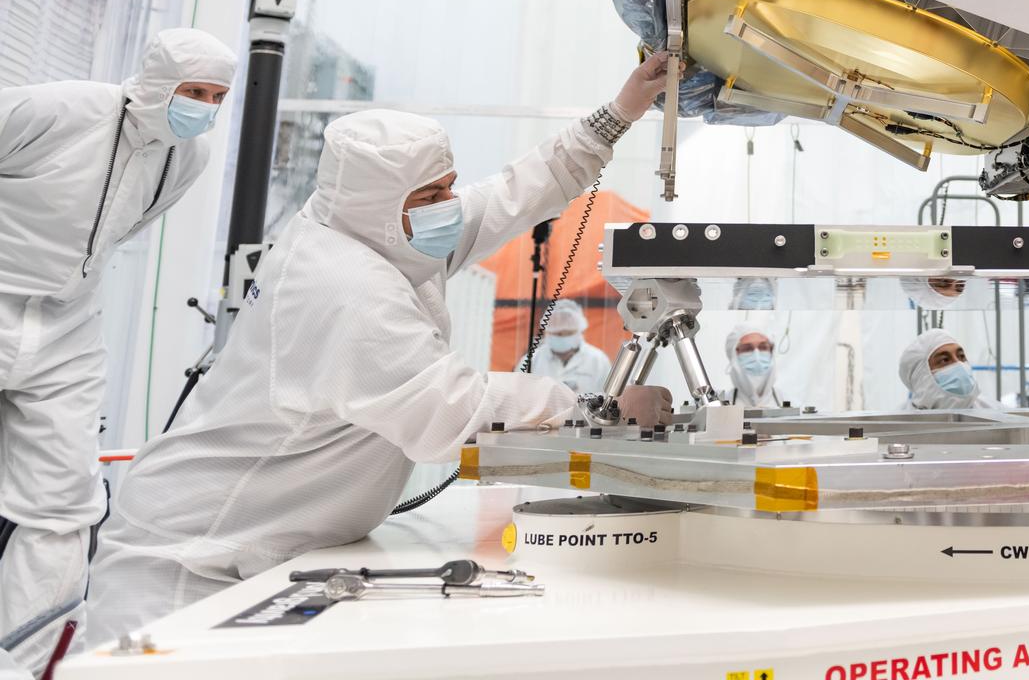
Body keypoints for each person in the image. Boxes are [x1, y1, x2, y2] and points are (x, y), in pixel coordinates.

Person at [84, 55, 678, 646]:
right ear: (381, 201)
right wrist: (606, 410)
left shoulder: (381, 228)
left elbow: (509, 195)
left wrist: (621, 110)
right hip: (190, 565)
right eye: (431, 195)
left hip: (268, 550)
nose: (449, 203)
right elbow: (450, 413)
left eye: (446, 185)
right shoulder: (341, 285)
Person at [0, 28, 236, 674]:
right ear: (159, 80)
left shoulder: (187, 158)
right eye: (195, 92)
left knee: (66, 506)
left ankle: (21, 660)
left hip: (69, 326)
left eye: (218, 96)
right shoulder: (62, 110)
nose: (206, 109)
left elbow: (113, 236)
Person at [529, 297, 612, 396]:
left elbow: (610, 398)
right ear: (547, 331)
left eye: (568, 333)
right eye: (557, 333)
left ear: (579, 330)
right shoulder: (532, 359)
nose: (562, 337)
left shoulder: (599, 361)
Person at [900, 329, 994, 410]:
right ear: (921, 377)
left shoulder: (995, 414)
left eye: (961, 356)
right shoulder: (897, 426)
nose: (959, 365)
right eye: (945, 360)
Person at [724, 322, 781, 407]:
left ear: (772, 351)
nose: (756, 356)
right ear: (734, 356)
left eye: (763, 347)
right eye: (747, 348)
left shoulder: (793, 403)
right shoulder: (720, 405)